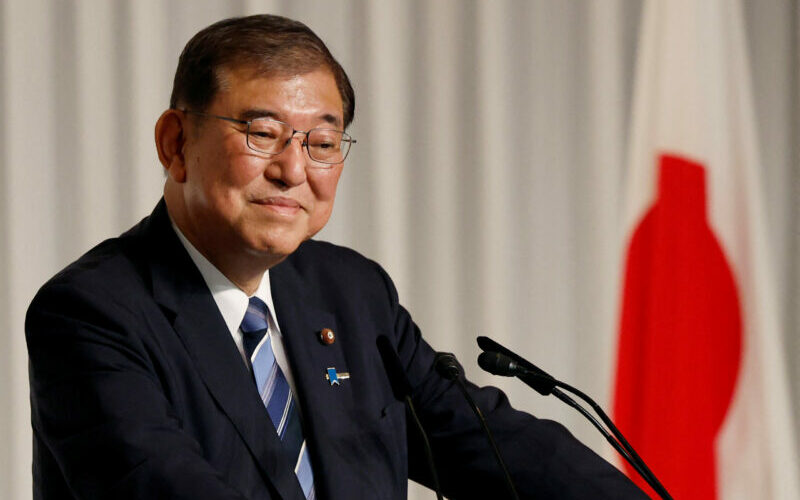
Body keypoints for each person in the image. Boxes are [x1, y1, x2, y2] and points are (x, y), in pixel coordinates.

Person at [26, 14, 647, 500]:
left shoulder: (349, 292)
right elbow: (159, 486)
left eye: (322, 142)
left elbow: (486, 440)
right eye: (261, 133)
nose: (293, 169)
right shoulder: (93, 312)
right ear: (175, 142)